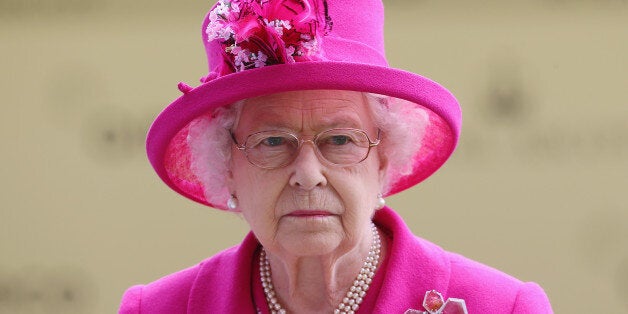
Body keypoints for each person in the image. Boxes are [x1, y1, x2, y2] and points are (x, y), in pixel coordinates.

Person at [120, 0, 553, 313]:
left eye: (340, 140)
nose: (308, 175)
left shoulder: (502, 307)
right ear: (226, 167)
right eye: (272, 141)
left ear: (384, 159)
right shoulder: (157, 309)